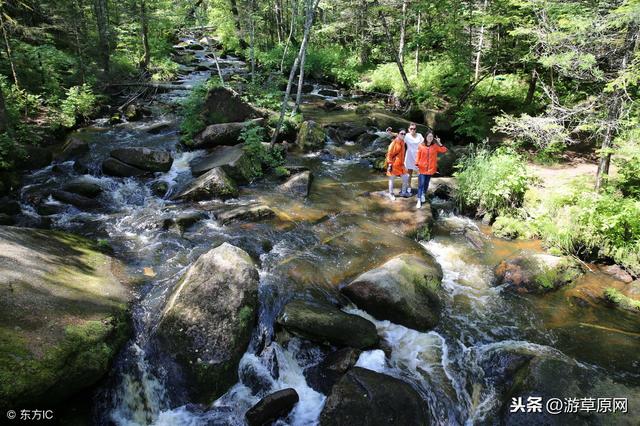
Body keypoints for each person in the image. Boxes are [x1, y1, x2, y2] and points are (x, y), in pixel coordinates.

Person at [414, 132, 447, 208]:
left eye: (431, 136)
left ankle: (423, 194)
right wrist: (417, 165)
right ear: (426, 137)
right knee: (420, 184)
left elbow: (444, 150)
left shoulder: (435, 146)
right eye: (429, 136)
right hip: (422, 168)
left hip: (430, 169)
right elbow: (418, 157)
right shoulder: (421, 146)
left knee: (426, 184)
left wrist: (439, 142)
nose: (430, 138)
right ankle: (419, 200)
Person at [385, 129, 409, 201]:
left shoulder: (402, 141)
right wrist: (389, 165)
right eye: (401, 134)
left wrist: (391, 132)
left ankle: (403, 192)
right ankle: (391, 194)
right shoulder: (393, 144)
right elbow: (389, 155)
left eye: (404, 134)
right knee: (391, 179)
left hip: (401, 164)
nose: (403, 135)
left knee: (405, 178)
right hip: (393, 164)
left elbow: (395, 133)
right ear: (398, 134)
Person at [403, 122, 424, 196]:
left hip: (419, 157)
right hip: (409, 156)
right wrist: (390, 133)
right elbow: (398, 137)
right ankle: (409, 187)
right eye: (411, 129)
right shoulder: (406, 136)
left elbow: (424, 144)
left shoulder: (419, 135)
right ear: (408, 129)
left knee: (420, 173)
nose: (413, 130)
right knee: (409, 173)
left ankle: (420, 188)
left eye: (414, 129)